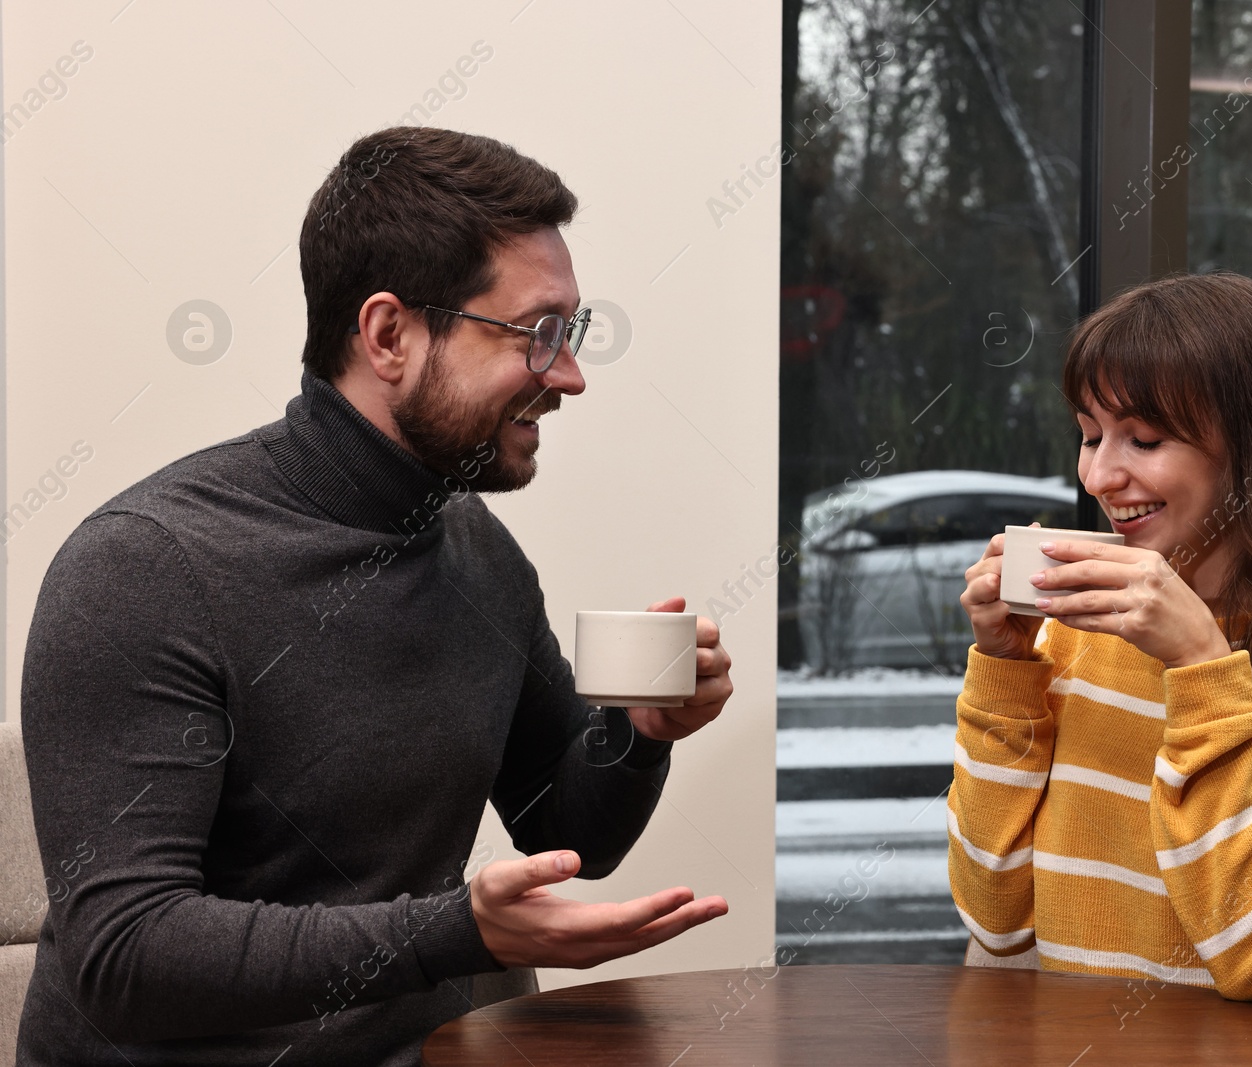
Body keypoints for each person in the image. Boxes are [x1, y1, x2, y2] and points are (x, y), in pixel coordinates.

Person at [17, 127, 732, 1066]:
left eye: (575, 329)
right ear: (389, 335)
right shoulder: (147, 568)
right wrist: (457, 934)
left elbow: (568, 832)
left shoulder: (476, 549)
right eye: (540, 333)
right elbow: (128, 957)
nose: (569, 374)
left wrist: (635, 732)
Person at [949, 272, 1252, 1066]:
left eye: (1143, 440)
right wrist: (1004, 667)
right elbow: (998, 917)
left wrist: (1198, 664)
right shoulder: (1082, 625)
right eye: (1090, 434)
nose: (1099, 476)